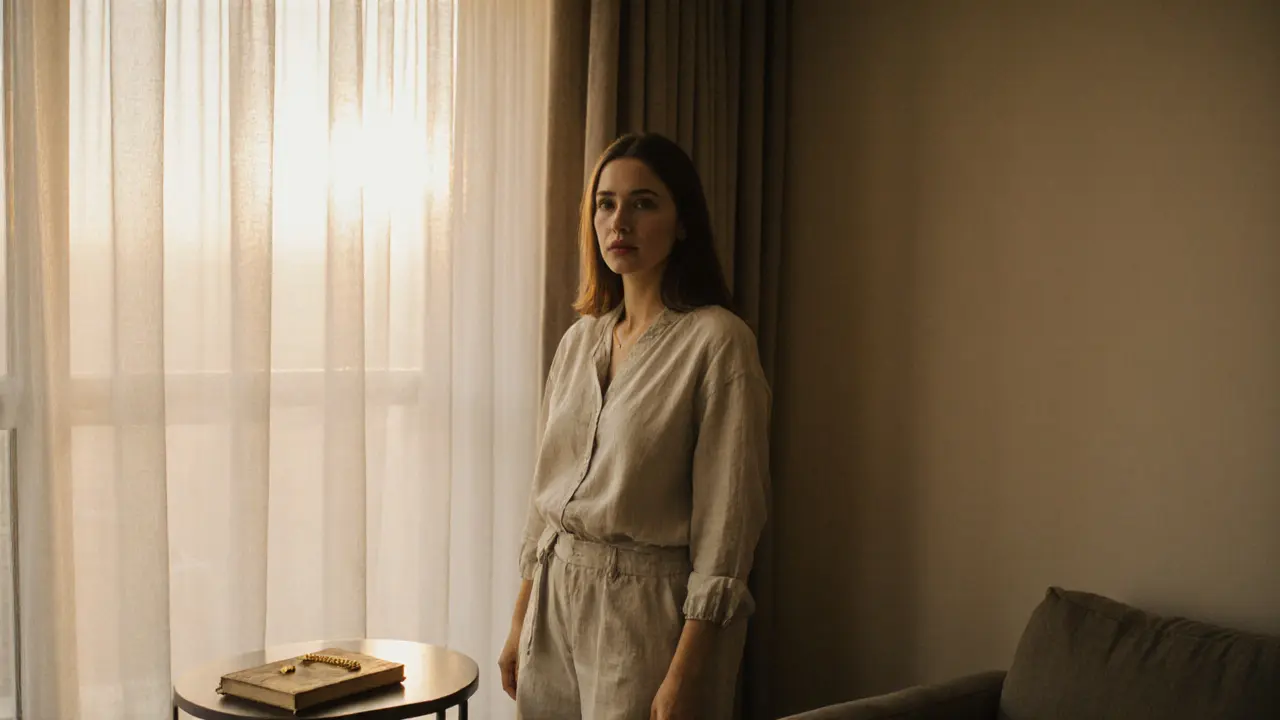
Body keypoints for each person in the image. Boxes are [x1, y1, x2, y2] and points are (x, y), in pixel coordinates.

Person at [497, 132, 772, 720]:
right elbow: (543, 502)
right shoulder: (579, 343)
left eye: (644, 203)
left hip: (646, 614)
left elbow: (729, 530)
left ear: (683, 223)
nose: (619, 220)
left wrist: (687, 672)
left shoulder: (718, 344)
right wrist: (521, 619)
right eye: (606, 203)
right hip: (554, 599)